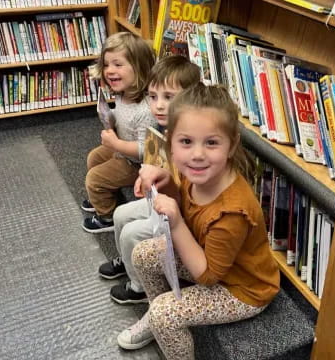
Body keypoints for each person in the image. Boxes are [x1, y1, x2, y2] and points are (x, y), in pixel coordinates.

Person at [116, 83, 280, 359]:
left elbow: (207, 277)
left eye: (212, 142)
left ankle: (161, 323)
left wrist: (177, 223)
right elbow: (185, 207)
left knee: (165, 314)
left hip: (242, 289)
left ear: (232, 144)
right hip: (208, 260)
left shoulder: (232, 212)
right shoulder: (194, 172)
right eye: (186, 142)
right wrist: (167, 184)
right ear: (171, 143)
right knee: (142, 253)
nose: (197, 154)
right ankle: (155, 320)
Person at [98, 55, 202, 305]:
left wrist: (161, 181)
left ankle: (139, 287)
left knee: (131, 233)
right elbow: (157, 163)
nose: (158, 106)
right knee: (121, 215)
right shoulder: (165, 128)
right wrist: (147, 176)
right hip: (165, 200)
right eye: (153, 97)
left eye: (169, 97)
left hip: (183, 215)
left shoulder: (193, 140)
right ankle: (128, 259)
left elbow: (187, 194)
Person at [81, 32, 156, 233]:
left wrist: (115, 144)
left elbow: (144, 151)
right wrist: (110, 115)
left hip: (136, 164)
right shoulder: (125, 94)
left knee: (94, 179)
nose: (109, 71)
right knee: (94, 158)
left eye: (117, 64)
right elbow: (123, 115)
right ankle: (103, 194)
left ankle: (106, 217)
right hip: (122, 147)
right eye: (106, 65)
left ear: (139, 68)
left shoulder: (146, 110)